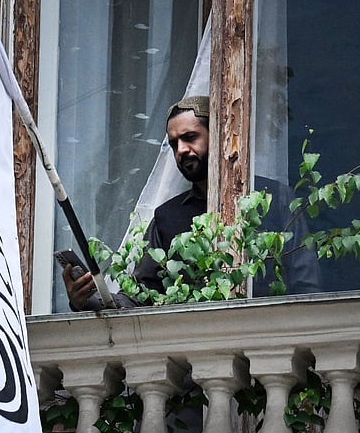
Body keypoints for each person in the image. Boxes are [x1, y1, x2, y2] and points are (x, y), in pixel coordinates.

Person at [62, 94, 318, 311]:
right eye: (174, 143)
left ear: (217, 135)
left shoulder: (274, 199)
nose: (181, 150)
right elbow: (141, 298)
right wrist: (85, 300)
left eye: (190, 137)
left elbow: (307, 287)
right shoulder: (167, 217)